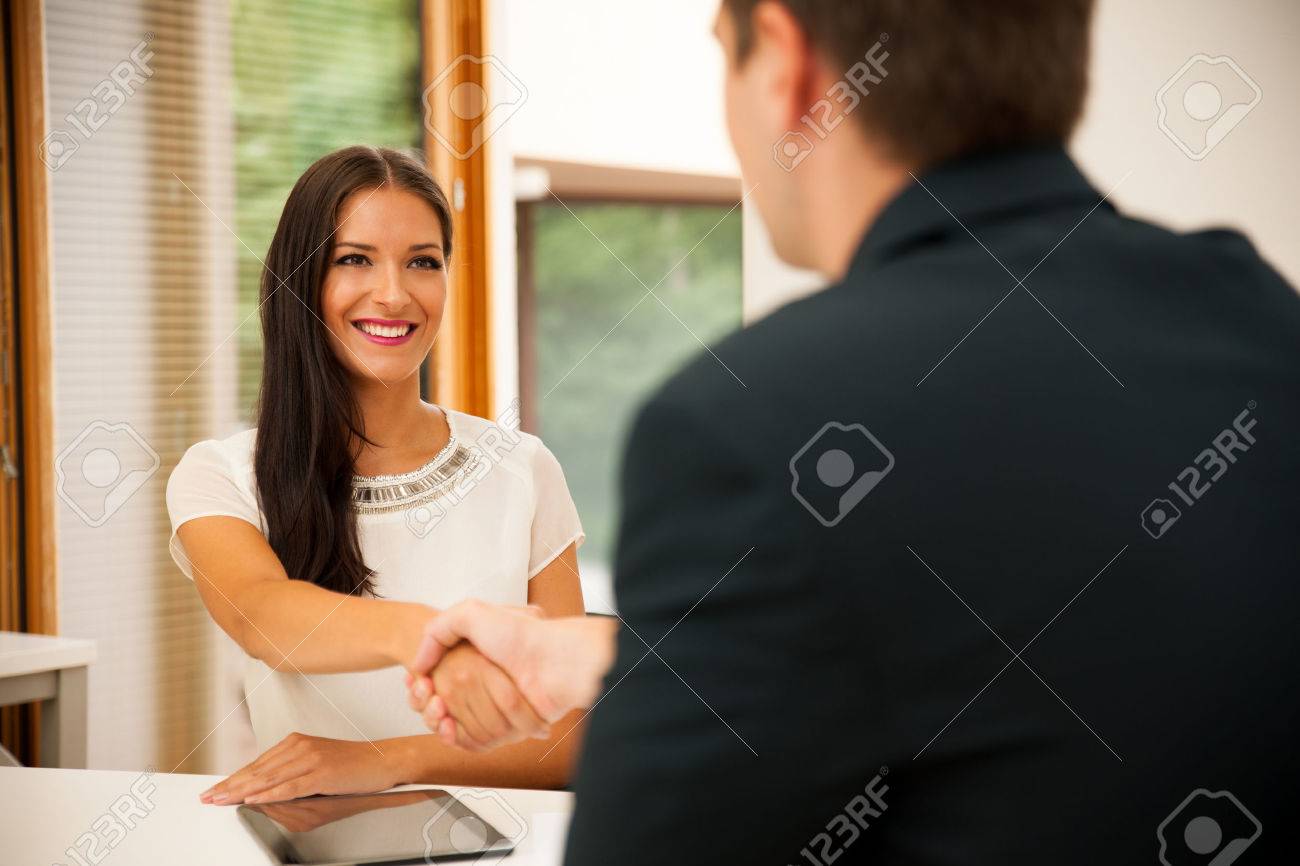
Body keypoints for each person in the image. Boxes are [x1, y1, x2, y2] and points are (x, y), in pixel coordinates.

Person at [408, 1, 1300, 863]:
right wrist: (609, 659)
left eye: (727, 50)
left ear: (789, 69)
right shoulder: (1262, 320)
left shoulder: (745, 427)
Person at [165, 145, 587, 804]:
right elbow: (262, 616)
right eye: (354, 259)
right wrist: (434, 639)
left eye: (423, 261)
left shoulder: (523, 468)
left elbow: (572, 738)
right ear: (300, 278)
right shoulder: (221, 477)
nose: (393, 294)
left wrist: (390, 760)